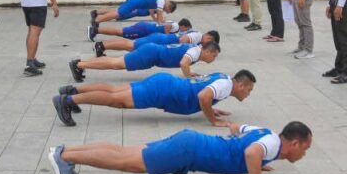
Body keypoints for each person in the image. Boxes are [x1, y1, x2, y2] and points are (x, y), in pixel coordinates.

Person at [47, 121, 313, 174]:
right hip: (188, 151)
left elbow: (236, 129)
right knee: (125, 161)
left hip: (190, 142)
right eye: (305, 148)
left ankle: (66, 150)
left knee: (124, 152)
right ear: (294, 143)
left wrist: (259, 162)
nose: (305, 154)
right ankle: (64, 157)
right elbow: (251, 153)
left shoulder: (267, 134)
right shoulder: (270, 145)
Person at [52, 69, 256, 127]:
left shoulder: (224, 78)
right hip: (164, 91)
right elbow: (203, 96)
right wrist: (213, 120)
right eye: (249, 90)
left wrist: (210, 107)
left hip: (164, 83)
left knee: (114, 91)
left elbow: (203, 92)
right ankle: (67, 101)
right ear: (240, 84)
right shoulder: (225, 86)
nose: (248, 94)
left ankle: (72, 91)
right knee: (116, 100)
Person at [69, 37, 220, 82]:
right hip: (150, 54)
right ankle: (79, 64)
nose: (214, 59)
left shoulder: (196, 49)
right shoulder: (195, 52)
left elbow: (184, 62)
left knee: (117, 62)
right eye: (214, 56)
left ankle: (80, 64)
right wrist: (189, 78)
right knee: (116, 63)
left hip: (152, 52)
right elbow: (183, 63)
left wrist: (189, 72)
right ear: (207, 51)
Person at [92, 28, 207, 57]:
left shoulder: (197, 34)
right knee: (130, 45)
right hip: (161, 40)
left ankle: (102, 46)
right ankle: (102, 45)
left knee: (130, 45)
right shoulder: (198, 36)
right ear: (209, 37)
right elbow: (182, 40)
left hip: (160, 39)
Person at [90, 0, 177, 25]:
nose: (165, 11)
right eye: (167, 10)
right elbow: (159, 14)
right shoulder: (161, 2)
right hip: (135, 3)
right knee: (118, 14)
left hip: (134, 0)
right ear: (169, 6)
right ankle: (96, 21)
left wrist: (159, 21)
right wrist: (161, 23)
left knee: (118, 12)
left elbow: (158, 14)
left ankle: (97, 16)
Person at [90, 17, 190, 41]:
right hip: (143, 29)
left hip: (145, 28)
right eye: (187, 29)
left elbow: (162, 22)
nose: (186, 31)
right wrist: (167, 38)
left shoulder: (174, 24)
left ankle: (96, 30)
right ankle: (95, 30)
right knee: (119, 32)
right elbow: (167, 27)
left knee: (121, 34)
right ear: (183, 26)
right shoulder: (176, 25)